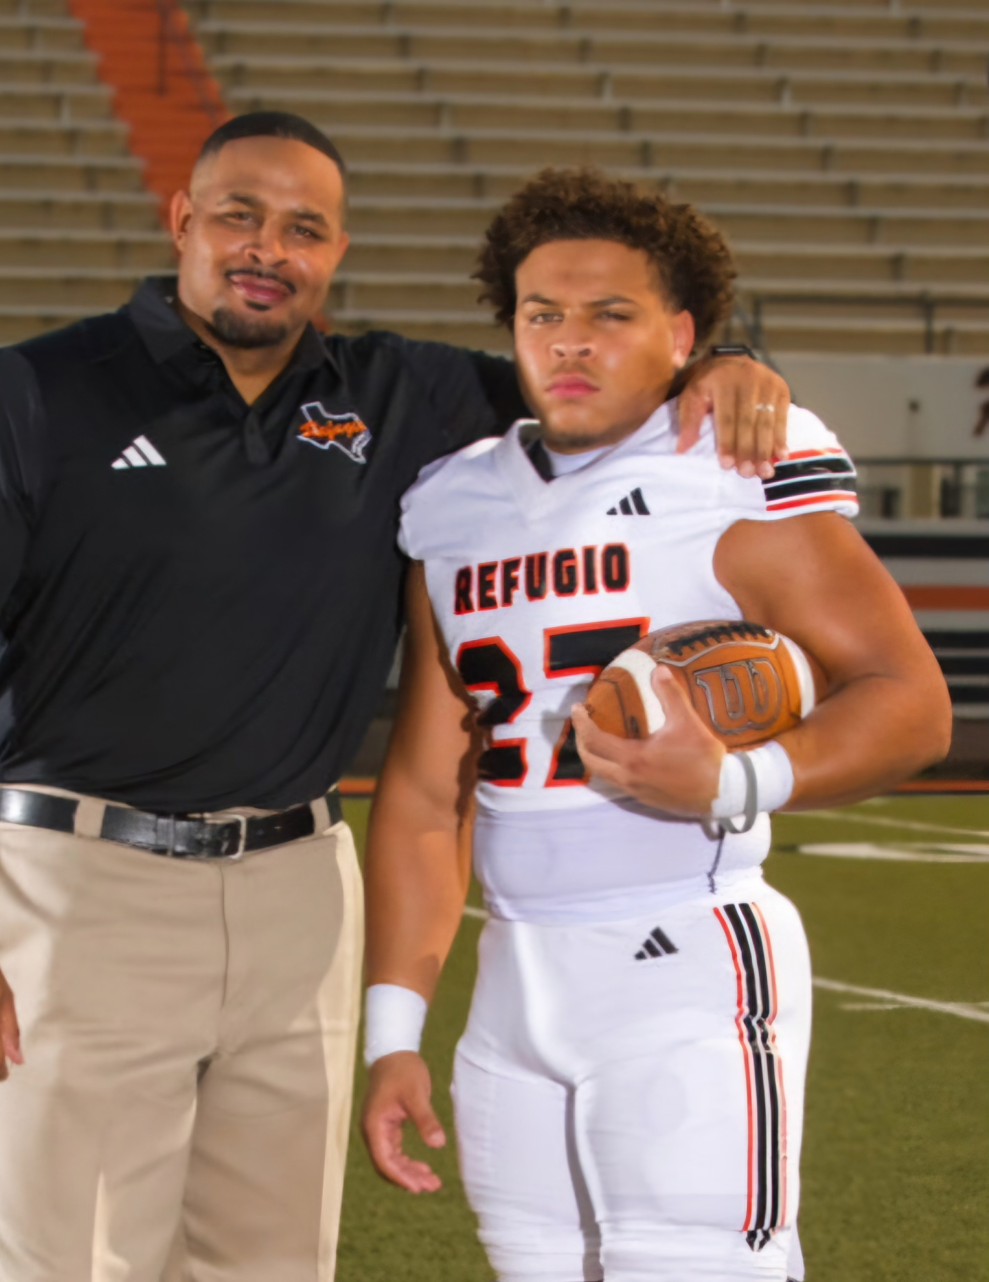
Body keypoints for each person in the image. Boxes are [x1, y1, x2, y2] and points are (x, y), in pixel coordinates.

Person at [0, 113, 793, 1282]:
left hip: (299, 887)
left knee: (272, 1263)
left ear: (336, 251)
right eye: (239, 215)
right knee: (76, 1263)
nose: (267, 248)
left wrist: (725, 364)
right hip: (84, 884)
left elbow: (592, 376)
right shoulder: (38, 394)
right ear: (182, 223)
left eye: (303, 229)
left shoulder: (400, 399)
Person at [359, 169, 950, 1282]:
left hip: (683, 953)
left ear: (680, 333)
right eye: (542, 315)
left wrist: (735, 782)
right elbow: (424, 784)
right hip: (513, 976)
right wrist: (393, 1031)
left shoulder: (723, 468)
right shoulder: (450, 502)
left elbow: (910, 703)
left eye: (609, 315)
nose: (568, 342)